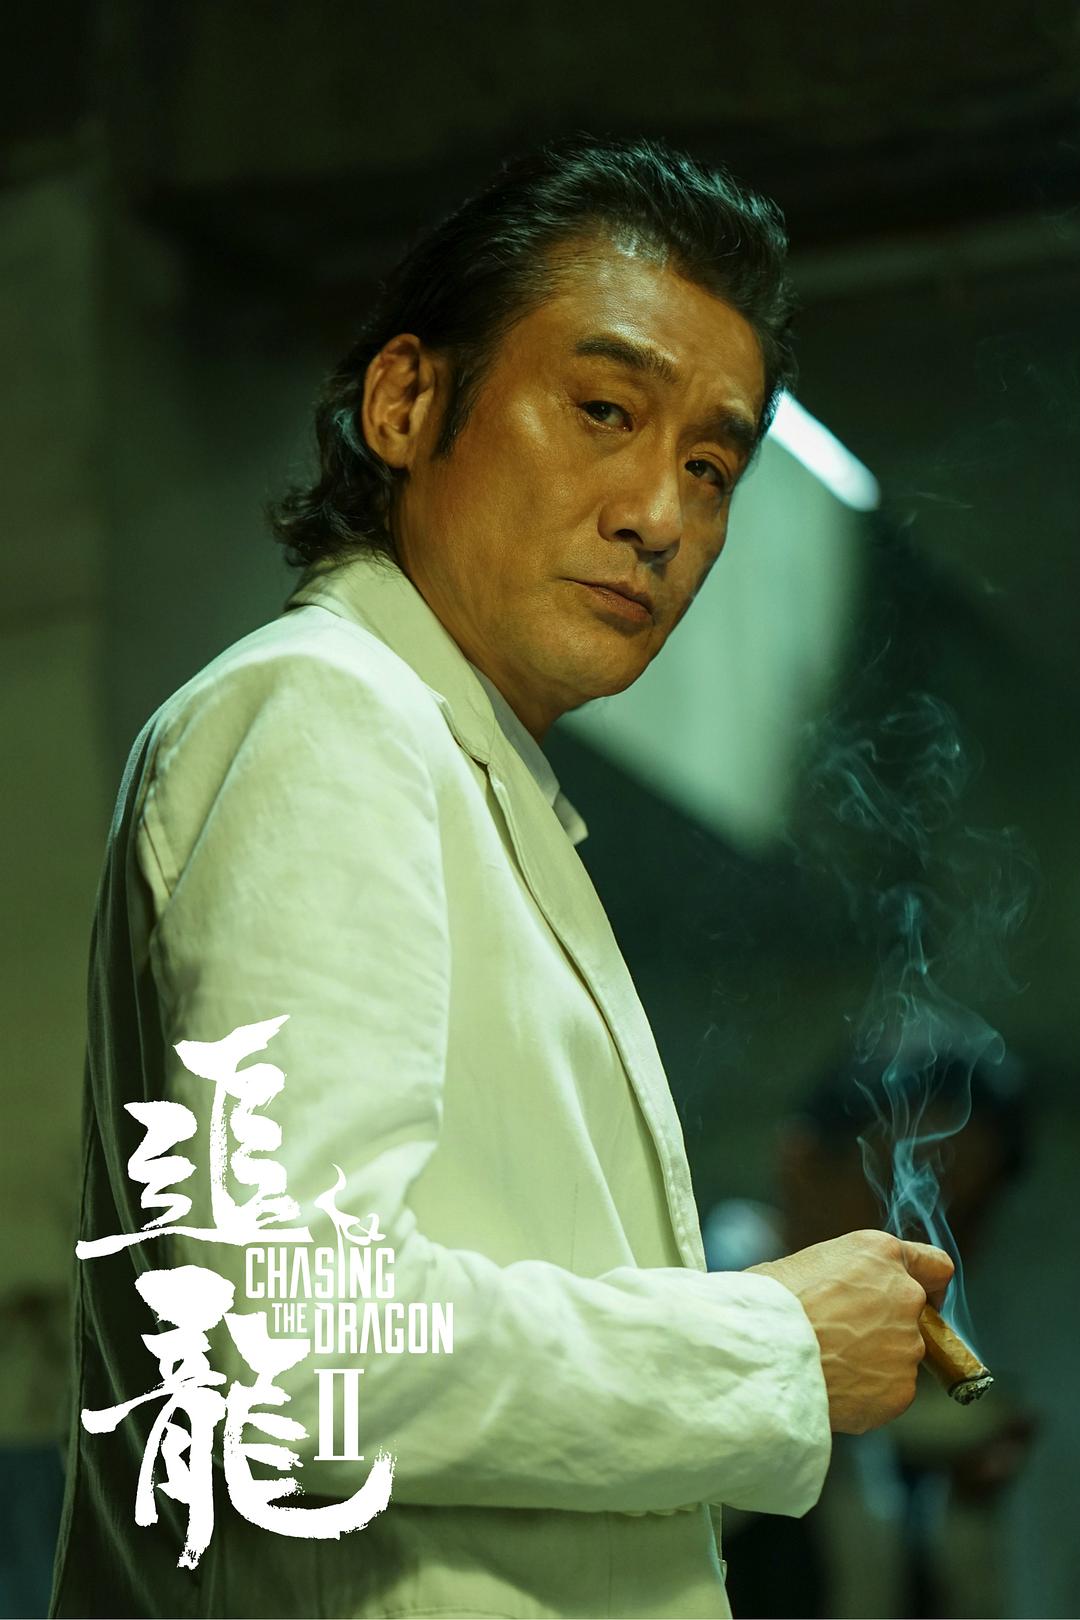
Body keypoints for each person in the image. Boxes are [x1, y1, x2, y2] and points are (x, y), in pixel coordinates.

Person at [50, 135, 953, 1620]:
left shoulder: (456, 768)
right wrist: (769, 1347)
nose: (660, 515)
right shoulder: (329, 715)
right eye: (604, 410)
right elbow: (293, 1341)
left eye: (711, 465)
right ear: (407, 403)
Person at [705, 1029, 1036, 1618]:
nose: (932, 1245)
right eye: (904, 1193)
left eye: (966, 1215)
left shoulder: (917, 1375)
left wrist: (965, 1508)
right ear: (802, 1165)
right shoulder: (690, 1303)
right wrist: (791, 1379)